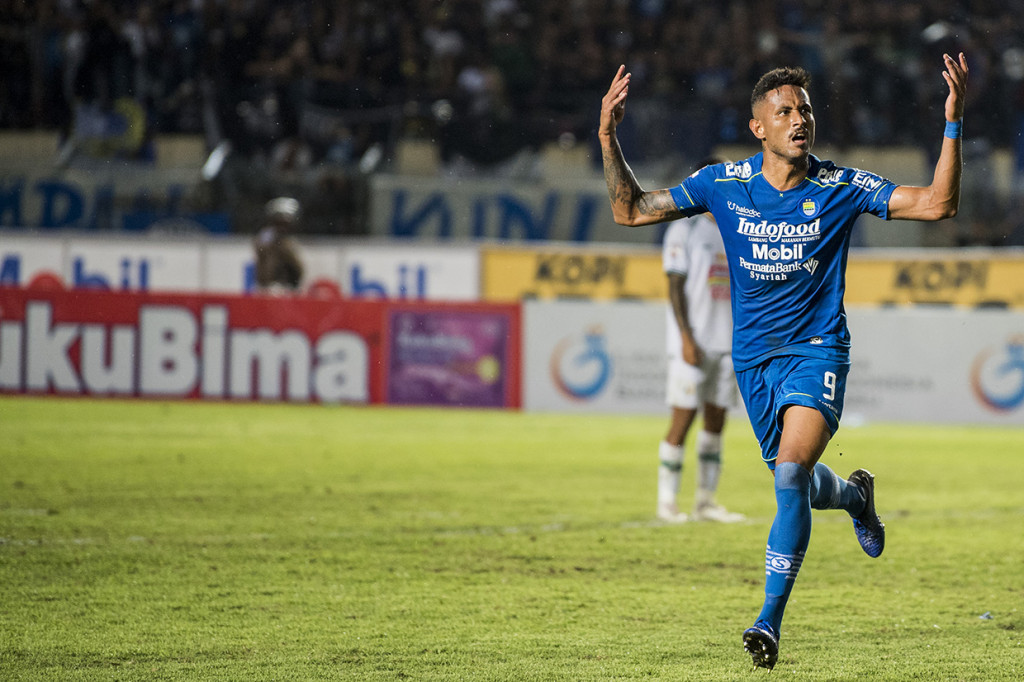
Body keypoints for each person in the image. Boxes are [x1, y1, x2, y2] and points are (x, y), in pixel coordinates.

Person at [599, 53, 968, 669]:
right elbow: (630, 209)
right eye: (785, 112)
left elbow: (937, 204)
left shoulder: (842, 187)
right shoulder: (722, 183)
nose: (800, 120)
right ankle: (854, 498)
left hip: (817, 350)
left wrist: (952, 124)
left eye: (805, 110)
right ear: (759, 128)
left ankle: (767, 621)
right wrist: (609, 137)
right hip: (755, 364)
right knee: (791, 481)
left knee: (791, 475)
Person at [657, 158, 745, 525]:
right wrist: (685, 337)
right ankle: (666, 504)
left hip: (728, 344)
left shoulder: (736, 227)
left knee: (716, 423)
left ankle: (706, 502)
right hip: (691, 344)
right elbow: (675, 285)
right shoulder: (685, 228)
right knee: (682, 420)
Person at [253, 196, 305, 294]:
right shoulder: (265, 236)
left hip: (288, 287)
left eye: (286, 223)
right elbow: (263, 260)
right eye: (279, 222)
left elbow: (298, 269)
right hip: (268, 287)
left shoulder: (291, 241)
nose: (282, 227)